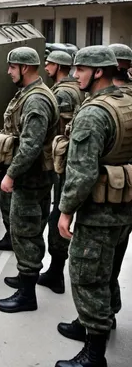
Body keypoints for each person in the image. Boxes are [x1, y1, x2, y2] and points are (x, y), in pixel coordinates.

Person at [55, 46, 132, 367]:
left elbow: (82, 171)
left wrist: (66, 210)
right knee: (108, 268)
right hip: (124, 206)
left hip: (99, 211)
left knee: (87, 275)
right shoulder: (127, 100)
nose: (75, 75)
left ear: (98, 72)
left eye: (80, 70)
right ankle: (99, 320)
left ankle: (94, 353)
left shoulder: (94, 112)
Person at [0, 47, 58, 313]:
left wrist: (10, 174)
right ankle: (25, 278)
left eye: (12, 66)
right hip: (35, 175)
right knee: (29, 227)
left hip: (31, 178)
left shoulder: (36, 100)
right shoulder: (31, 94)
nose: (8, 71)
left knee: (25, 230)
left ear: (26, 68)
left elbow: (30, 145)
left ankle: (27, 295)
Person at [40, 50, 85, 294]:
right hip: (67, 160)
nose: (46, 67)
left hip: (64, 161)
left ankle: (56, 273)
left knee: (58, 215)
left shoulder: (63, 92)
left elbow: (56, 127)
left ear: (59, 67)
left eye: (49, 64)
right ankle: (54, 271)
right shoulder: (74, 88)